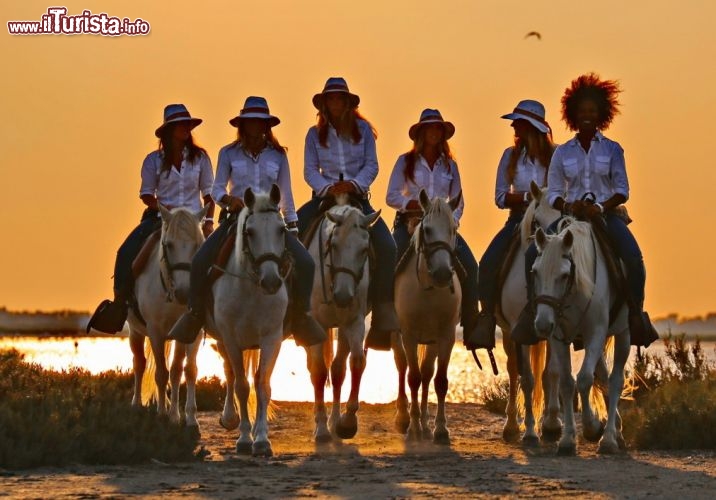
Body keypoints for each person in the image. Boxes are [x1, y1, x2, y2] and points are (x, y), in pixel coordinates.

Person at [168, 96, 326, 347]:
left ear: (266, 126)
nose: (255, 127)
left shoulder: (278, 155)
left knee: (306, 263)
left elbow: (286, 193)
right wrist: (229, 200)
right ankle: (195, 314)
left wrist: (292, 226)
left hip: (270, 221)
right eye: (250, 122)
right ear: (243, 125)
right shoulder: (228, 153)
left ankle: (301, 318)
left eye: (260, 123)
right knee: (200, 260)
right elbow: (217, 189)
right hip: (237, 219)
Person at [514, 73, 658, 347]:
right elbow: (554, 191)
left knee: (633, 257)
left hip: (606, 217)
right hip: (571, 219)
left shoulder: (614, 150)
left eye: (592, 111)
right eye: (582, 111)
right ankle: (532, 312)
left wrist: (601, 207)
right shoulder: (563, 152)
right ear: (573, 115)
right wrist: (568, 205)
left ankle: (636, 315)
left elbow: (622, 189)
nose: (587, 115)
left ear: (601, 114)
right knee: (534, 251)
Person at [87, 104, 215, 333]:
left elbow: (209, 194)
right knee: (125, 251)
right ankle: (120, 304)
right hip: (161, 219)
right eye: (181, 125)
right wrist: (164, 209)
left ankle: (216, 310)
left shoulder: (201, 158)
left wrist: (208, 223)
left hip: (193, 221)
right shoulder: (153, 160)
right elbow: (146, 193)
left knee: (216, 257)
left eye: (188, 124)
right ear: (170, 130)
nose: (187, 128)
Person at [297, 77, 399, 350]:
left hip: (357, 200)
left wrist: (353, 184)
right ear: (325, 104)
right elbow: (309, 170)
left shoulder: (364, 130)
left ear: (347, 103)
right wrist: (328, 187)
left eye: (340, 98)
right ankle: (297, 314)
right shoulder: (313, 134)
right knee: (292, 239)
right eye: (331, 99)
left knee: (388, 247)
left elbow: (372, 165)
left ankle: (381, 315)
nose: (335, 103)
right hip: (324, 201)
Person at [464, 100, 555, 350]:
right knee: (487, 262)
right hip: (518, 219)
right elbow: (500, 197)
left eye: (519, 122)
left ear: (532, 127)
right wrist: (529, 197)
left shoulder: (557, 155)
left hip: (550, 221)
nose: (514, 126)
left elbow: (562, 191)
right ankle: (487, 318)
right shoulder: (510, 156)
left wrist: (543, 200)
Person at [386, 108, 480, 345]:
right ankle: (384, 319)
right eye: (430, 128)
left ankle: (471, 323)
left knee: (471, 265)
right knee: (388, 261)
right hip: (409, 222)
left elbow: (459, 201)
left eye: (438, 128)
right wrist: (411, 204)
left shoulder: (450, 165)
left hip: (441, 228)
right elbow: (391, 196)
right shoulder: (404, 161)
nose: (434, 132)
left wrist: (451, 222)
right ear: (421, 132)